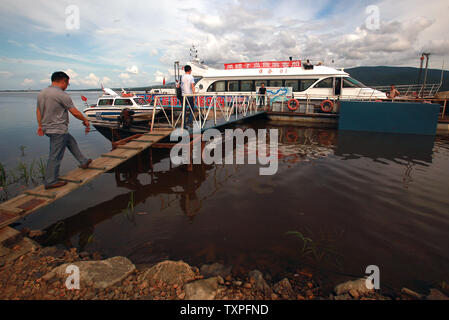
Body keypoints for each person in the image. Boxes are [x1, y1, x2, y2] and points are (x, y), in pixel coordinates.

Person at [36, 71, 92, 189]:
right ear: (63, 81)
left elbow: (38, 111)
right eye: (68, 83)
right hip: (58, 129)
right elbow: (74, 111)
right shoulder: (62, 95)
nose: (67, 86)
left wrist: (40, 126)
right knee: (55, 155)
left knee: (71, 141)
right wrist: (85, 120)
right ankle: (51, 182)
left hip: (48, 128)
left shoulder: (42, 93)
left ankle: (83, 161)